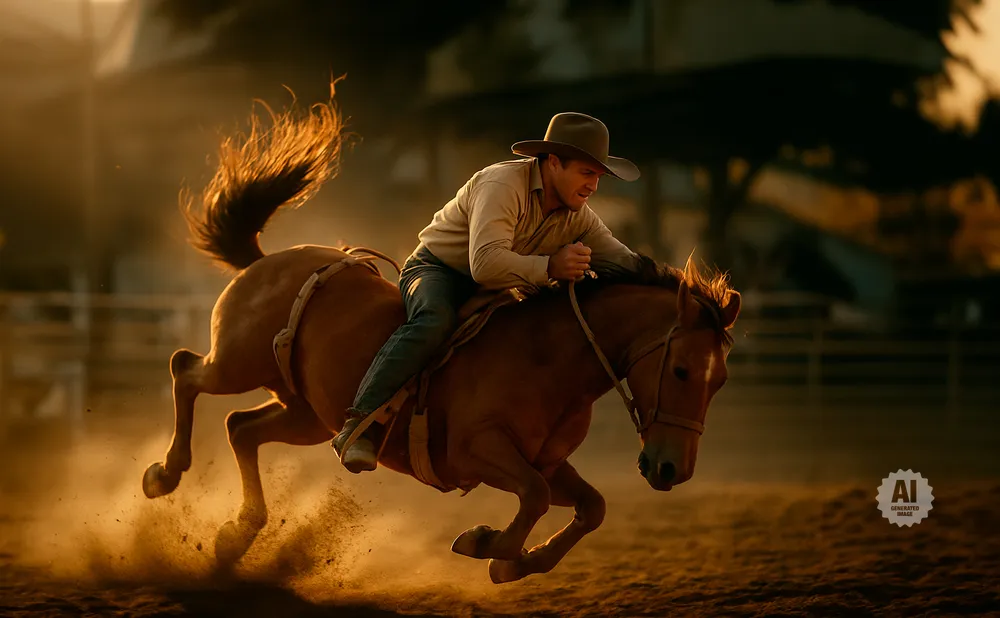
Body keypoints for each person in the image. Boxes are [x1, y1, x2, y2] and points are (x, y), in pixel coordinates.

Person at [332, 111, 645, 473]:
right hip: (439, 269)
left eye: (598, 177)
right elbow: (484, 263)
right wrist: (551, 268)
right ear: (554, 162)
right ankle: (360, 426)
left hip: (500, 284)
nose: (593, 185)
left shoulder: (579, 214)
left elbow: (623, 260)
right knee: (434, 319)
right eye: (587, 173)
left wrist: (676, 284)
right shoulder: (501, 184)